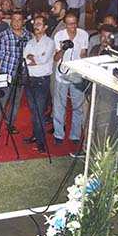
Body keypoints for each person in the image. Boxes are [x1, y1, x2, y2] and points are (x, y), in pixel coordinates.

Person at [0, 11, 31, 137]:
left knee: (16, 102)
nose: (17, 22)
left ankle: (10, 124)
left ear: (23, 21)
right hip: (5, 73)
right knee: (1, 102)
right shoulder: (2, 36)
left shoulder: (28, 36)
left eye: (20, 19)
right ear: (11, 21)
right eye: (14, 19)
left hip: (21, 74)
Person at [52, 12, 88, 145]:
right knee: (59, 106)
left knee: (77, 106)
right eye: (69, 24)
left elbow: (83, 53)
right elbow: (56, 58)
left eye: (74, 23)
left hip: (77, 74)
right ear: (65, 24)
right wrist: (62, 49)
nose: (72, 26)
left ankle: (75, 135)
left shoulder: (83, 34)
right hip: (62, 75)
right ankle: (58, 134)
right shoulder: (59, 36)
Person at [23, 16, 55, 153]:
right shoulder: (30, 42)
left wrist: (33, 57)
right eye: (35, 24)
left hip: (42, 80)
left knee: (40, 111)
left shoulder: (49, 42)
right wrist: (35, 58)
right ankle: (35, 135)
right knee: (33, 110)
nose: (36, 26)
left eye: (39, 24)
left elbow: (43, 59)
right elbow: (24, 57)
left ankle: (41, 141)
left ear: (45, 27)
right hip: (29, 79)